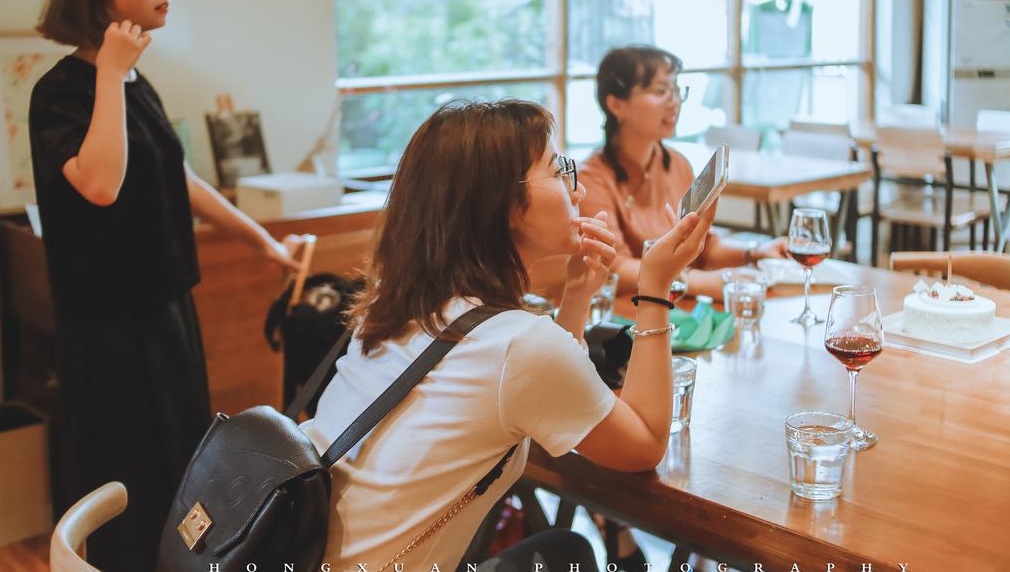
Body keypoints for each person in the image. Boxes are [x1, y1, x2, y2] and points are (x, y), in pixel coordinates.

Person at [303, 100, 714, 570]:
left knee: (564, 552)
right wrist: (656, 287)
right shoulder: (514, 344)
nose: (577, 190)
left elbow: (535, 387)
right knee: (566, 555)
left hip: (305, 552)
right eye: (558, 171)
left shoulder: (398, 306)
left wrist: (578, 296)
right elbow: (644, 446)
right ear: (507, 206)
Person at [29, 0, 301, 571]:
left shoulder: (134, 82)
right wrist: (108, 71)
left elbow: (177, 176)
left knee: (181, 472)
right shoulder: (61, 92)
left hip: (166, 311)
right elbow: (101, 183)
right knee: (126, 481)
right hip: (107, 327)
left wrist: (260, 241)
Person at [579, 45, 788, 300]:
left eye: (676, 90)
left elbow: (704, 247)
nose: (674, 102)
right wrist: (694, 282)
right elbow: (614, 269)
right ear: (616, 104)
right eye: (660, 91)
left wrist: (755, 252)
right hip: (630, 312)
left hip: (677, 308)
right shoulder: (592, 178)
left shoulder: (677, 164)